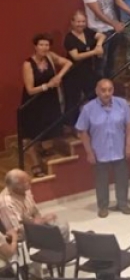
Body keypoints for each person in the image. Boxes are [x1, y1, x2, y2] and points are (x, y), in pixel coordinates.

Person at [76, 78, 130, 217]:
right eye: (103, 90)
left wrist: (129, 144)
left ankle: (123, 203)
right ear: (97, 91)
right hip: (99, 151)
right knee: (101, 181)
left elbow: (129, 126)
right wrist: (89, 152)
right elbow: (82, 131)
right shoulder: (88, 109)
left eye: (110, 90)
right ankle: (103, 206)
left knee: (122, 179)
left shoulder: (122, 104)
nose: (107, 93)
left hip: (119, 148)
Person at [20, 34, 72, 177]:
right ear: (35, 46)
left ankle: (41, 148)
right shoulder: (28, 64)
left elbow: (68, 63)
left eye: (47, 45)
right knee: (32, 133)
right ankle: (36, 165)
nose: (44, 48)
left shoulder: (50, 56)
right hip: (34, 102)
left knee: (46, 127)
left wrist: (58, 76)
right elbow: (30, 90)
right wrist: (48, 85)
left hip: (48, 100)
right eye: (41, 45)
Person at [83, 0, 124, 79]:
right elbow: (98, 13)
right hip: (98, 31)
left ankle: (110, 85)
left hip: (113, 29)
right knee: (100, 64)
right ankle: (99, 86)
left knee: (112, 62)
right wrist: (115, 24)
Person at [0, 169, 67, 238]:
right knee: (61, 230)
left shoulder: (25, 190)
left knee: (61, 225)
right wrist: (42, 221)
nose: (30, 181)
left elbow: (35, 211)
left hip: (33, 225)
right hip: (23, 235)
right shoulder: (7, 203)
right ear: (18, 186)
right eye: (26, 181)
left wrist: (41, 221)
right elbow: (17, 231)